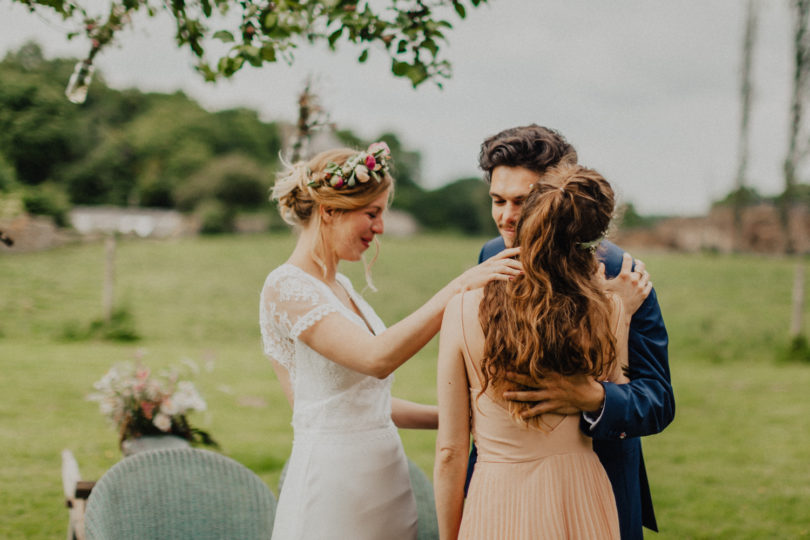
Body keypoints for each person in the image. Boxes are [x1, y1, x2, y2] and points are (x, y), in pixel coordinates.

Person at [259, 142, 522, 540]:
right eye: (372, 213)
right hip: (334, 488)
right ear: (330, 211)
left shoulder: (340, 285)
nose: (380, 228)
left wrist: (459, 416)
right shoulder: (286, 286)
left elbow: (359, 402)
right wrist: (459, 287)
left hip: (384, 478)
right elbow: (375, 358)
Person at [473, 125, 675, 539]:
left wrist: (594, 396)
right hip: (502, 486)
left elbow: (658, 401)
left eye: (522, 201)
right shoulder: (491, 256)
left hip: (597, 482)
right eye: (498, 200)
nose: (507, 217)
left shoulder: (622, 273)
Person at [435, 164, 651, 539]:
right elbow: (616, 396)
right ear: (594, 240)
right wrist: (621, 312)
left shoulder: (462, 308)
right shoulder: (611, 308)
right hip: (582, 495)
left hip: (497, 495)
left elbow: (450, 451)